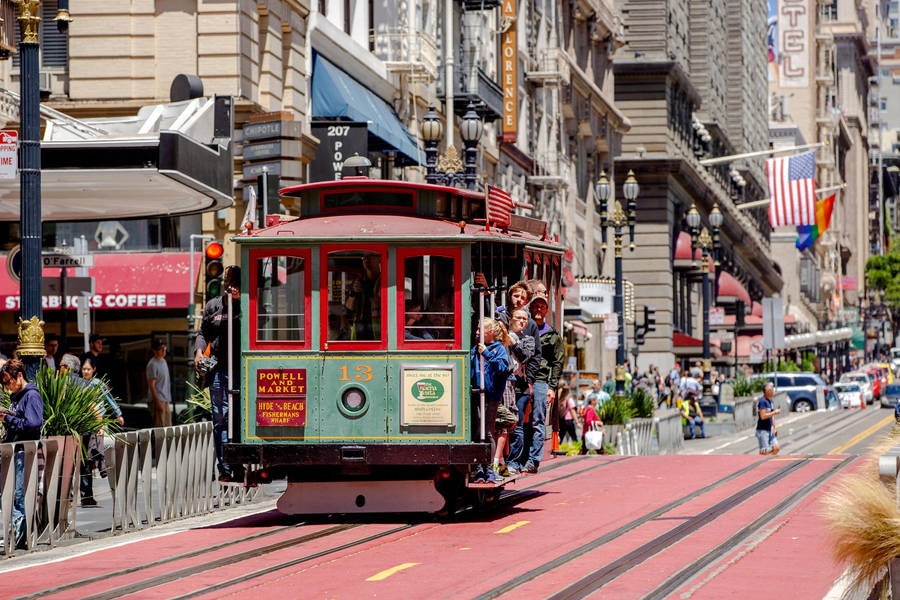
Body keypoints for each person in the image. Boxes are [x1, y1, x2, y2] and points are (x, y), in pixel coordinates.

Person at [195, 264, 243, 482]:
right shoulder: (213, 306)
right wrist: (199, 352)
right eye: (226, 281)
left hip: (242, 368)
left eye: (233, 281)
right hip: (218, 368)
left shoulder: (247, 305)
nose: (229, 285)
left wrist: (240, 300)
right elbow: (202, 333)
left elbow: (262, 322)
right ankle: (224, 467)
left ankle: (239, 464)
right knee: (220, 418)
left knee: (239, 417)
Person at [509, 294, 563, 474]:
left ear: (547, 310)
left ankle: (533, 461)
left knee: (537, 420)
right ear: (530, 309)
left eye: (542, 307)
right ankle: (518, 459)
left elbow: (557, 362)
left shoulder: (552, 335)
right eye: (536, 306)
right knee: (518, 419)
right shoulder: (523, 327)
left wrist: (552, 387)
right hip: (521, 378)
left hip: (540, 380)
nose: (539, 310)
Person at [0, 359, 44, 548]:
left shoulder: (31, 395)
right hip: (14, 450)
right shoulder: (18, 397)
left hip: (21, 451)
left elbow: (33, 424)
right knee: (9, 492)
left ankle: (19, 531)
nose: (6, 387)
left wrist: (8, 419)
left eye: (8, 381)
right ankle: (17, 531)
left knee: (17, 494)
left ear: (19, 376)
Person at [471, 318, 511, 484]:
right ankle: (478, 468)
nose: (477, 332)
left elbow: (503, 368)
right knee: (476, 432)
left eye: (480, 329)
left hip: (491, 396)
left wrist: (486, 354)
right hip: (476, 393)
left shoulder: (498, 348)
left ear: (490, 332)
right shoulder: (476, 348)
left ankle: (489, 469)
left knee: (487, 431)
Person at [80, 355, 123, 506]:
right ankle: (86, 495)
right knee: (85, 460)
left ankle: (104, 470)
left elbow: (109, 399)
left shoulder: (98, 384)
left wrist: (118, 414)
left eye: (88, 369)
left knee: (98, 454)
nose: (86, 372)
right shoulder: (79, 384)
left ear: (94, 369)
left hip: (99, 426)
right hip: (84, 426)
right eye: (84, 369)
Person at [346, 254, 381, 341]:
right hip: (359, 329)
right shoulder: (359, 280)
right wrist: (353, 293)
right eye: (363, 257)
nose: (366, 259)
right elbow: (349, 308)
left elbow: (382, 304)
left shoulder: (384, 281)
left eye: (370, 256)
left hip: (378, 330)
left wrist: (365, 290)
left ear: (380, 259)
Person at [146, 337, 172, 428]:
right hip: (157, 400)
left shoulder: (164, 361)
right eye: (161, 349)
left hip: (165, 399)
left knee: (168, 428)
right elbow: (151, 385)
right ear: (154, 351)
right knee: (159, 428)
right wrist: (158, 403)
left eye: (164, 348)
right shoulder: (152, 364)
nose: (164, 351)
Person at [756, 381, 781, 455]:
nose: (773, 392)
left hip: (769, 429)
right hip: (763, 430)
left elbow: (771, 415)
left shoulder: (770, 401)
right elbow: (763, 416)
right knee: (764, 451)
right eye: (772, 390)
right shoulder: (762, 401)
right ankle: (761, 460)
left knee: (776, 448)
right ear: (768, 391)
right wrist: (775, 412)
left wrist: (774, 427)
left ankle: (767, 458)